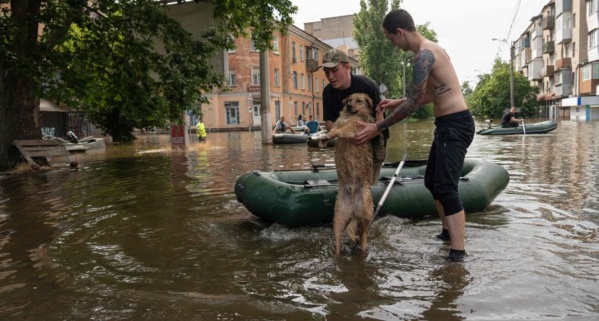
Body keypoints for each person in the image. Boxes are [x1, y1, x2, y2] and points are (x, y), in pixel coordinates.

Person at [354, 9, 475, 262]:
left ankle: (458, 252)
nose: (393, 45)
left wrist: (378, 127)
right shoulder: (433, 51)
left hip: (455, 125)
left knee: (445, 186)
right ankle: (446, 233)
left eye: (390, 39)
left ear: (400, 32)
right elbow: (432, 94)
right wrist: (396, 101)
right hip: (447, 125)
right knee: (432, 181)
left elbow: (411, 105)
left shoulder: (423, 57)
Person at [320, 48, 388, 183]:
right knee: (348, 184)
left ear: (347, 67)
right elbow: (329, 121)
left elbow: (380, 117)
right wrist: (342, 133)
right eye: (327, 72)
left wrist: (371, 131)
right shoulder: (328, 92)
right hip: (346, 142)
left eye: (334, 71)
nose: (330, 76)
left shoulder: (367, 85)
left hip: (373, 141)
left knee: (367, 185)